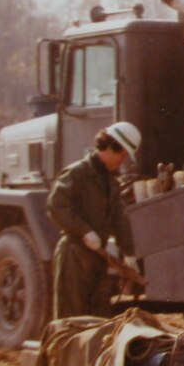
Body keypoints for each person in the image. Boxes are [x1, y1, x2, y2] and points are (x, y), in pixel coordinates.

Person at [48, 121, 141, 319]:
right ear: (109, 147)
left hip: (97, 259)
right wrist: (84, 230)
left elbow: (119, 219)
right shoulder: (78, 172)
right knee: (70, 318)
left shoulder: (111, 182)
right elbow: (56, 205)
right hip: (73, 256)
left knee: (98, 319)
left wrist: (129, 254)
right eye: (122, 155)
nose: (122, 161)